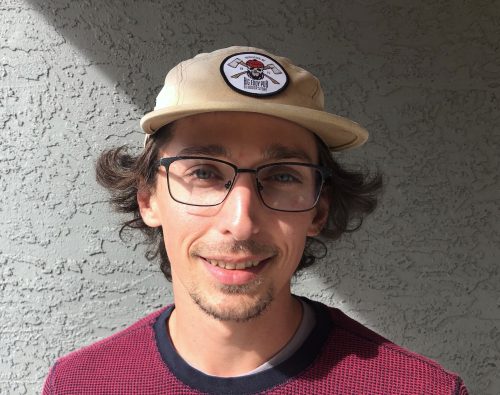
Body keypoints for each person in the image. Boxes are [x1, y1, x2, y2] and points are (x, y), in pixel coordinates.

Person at [43, 46, 468, 394]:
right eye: (204, 173)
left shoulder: (417, 389)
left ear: (318, 210)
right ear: (148, 199)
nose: (241, 223)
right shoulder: (80, 385)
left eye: (282, 176)